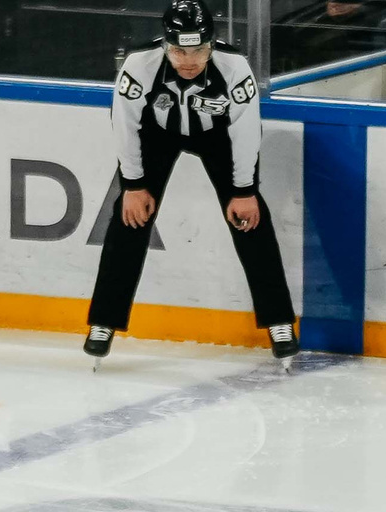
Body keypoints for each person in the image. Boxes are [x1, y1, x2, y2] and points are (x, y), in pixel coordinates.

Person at [86, 0, 298, 367]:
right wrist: (133, 185)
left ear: (212, 44)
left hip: (218, 138)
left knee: (251, 219)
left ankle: (279, 321)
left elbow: (247, 131)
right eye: (179, 51)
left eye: (198, 51)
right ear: (165, 45)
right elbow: (125, 125)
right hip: (158, 136)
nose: (188, 61)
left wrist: (244, 191)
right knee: (129, 218)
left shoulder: (235, 67)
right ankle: (103, 322)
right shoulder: (139, 64)